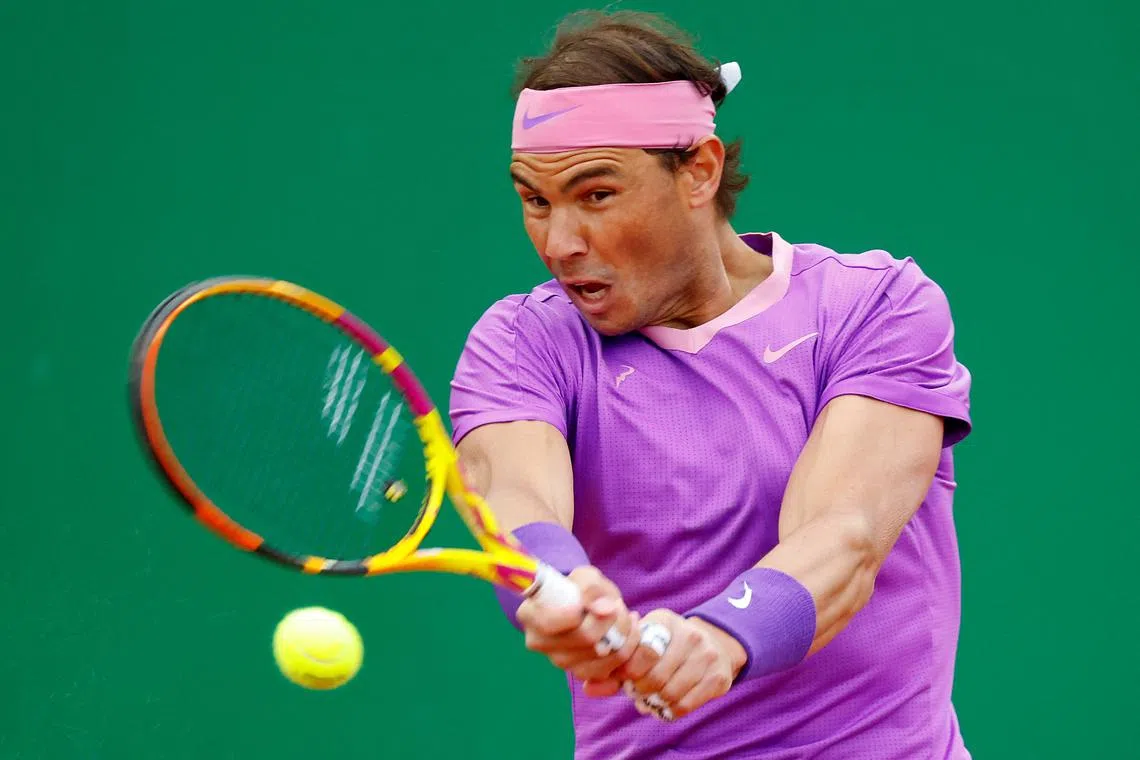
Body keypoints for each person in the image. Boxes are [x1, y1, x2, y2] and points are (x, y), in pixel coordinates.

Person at [448, 10, 973, 760]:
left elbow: (844, 534)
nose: (559, 243)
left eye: (595, 195)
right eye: (535, 200)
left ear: (699, 169)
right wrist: (557, 585)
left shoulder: (877, 306)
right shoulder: (522, 343)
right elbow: (517, 501)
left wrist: (726, 635)